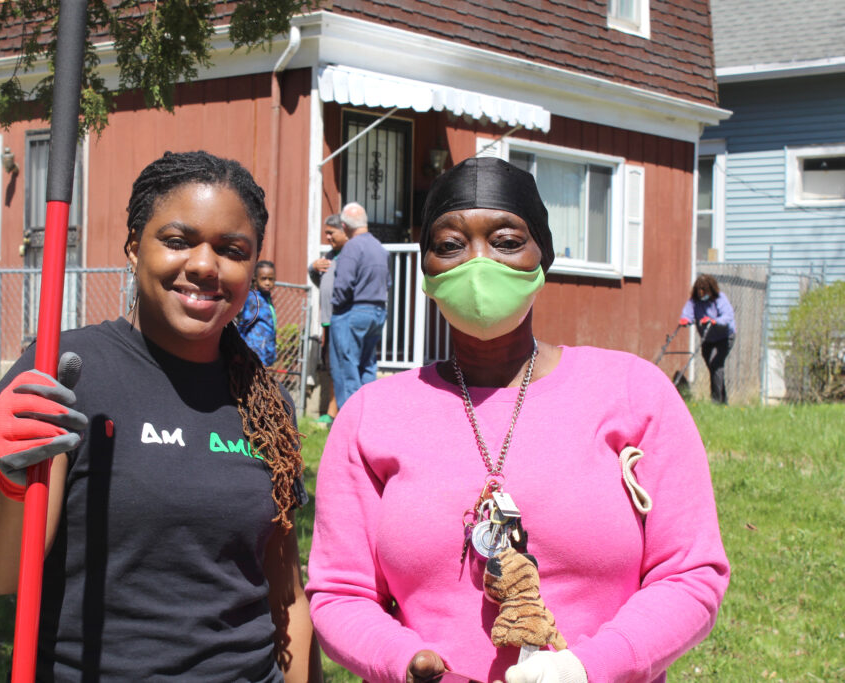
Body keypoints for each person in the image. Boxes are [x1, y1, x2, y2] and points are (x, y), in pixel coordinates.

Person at [306, 156, 729, 683]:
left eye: (506, 241)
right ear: (427, 269)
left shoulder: (635, 394)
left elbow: (690, 573)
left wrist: (589, 667)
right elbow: (340, 592)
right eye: (450, 244)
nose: (478, 263)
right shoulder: (370, 416)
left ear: (542, 258)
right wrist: (403, 662)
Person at [0, 151, 322, 681]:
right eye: (178, 241)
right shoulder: (67, 372)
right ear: (133, 247)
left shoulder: (266, 401)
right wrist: (14, 477)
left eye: (231, 250)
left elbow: (287, 597)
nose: (204, 264)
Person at [329, 202, 390, 408]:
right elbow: (387, 283)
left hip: (354, 312)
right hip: (378, 311)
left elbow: (343, 285)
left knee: (346, 367)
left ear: (345, 227)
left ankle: (350, 420)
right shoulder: (379, 248)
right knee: (368, 365)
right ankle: (368, 417)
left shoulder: (352, 247)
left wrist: (335, 306)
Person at [308, 214, 350, 423]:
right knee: (331, 365)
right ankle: (333, 411)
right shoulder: (330, 255)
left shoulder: (350, 255)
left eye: (331, 233)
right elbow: (320, 281)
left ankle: (337, 411)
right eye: (325, 233)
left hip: (343, 320)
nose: (327, 237)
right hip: (329, 320)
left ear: (344, 230)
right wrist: (313, 269)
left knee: (341, 365)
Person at [679, 274, 736, 404]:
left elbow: (727, 316)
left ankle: (716, 401)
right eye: (699, 291)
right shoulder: (694, 301)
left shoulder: (720, 299)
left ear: (711, 290)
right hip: (708, 338)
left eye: (704, 291)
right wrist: (685, 319)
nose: (701, 294)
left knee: (716, 365)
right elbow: (688, 313)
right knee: (712, 367)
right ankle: (723, 400)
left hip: (725, 336)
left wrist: (714, 321)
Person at [238, 259, 279, 366]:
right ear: (255, 279)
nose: (267, 283)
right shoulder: (254, 300)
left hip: (264, 354)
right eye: (264, 279)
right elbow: (244, 325)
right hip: (253, 354)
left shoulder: (267, 299)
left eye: (271, 279)